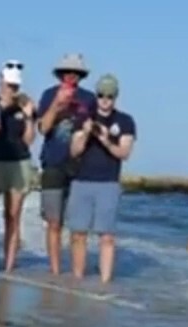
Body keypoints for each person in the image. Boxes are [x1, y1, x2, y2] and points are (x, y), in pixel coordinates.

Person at [65, 73, 135, 283]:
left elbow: (124, 153)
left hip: (108, 183)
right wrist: (86, 133)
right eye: (101, 95)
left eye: (110, 96)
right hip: (81, 181)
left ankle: (104, 283)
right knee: (78, 234)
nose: (105, 100)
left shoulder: (125, 121)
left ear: (115, 97)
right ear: (96, 95)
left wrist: (105, 139)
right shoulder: (83, 119)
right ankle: (78, 279)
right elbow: (74, 151)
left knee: (107, 236)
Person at [36, 52, 95, 275]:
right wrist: (58, 105)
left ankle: (77, 273)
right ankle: (55, 271)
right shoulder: (48, 95)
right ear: (60, 74)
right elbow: (43, 128)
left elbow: (92, 131)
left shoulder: (89, 98)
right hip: (52, 163)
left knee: (78, 226)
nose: (71, 76)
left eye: (76, 72)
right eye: (67, 72)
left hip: (80, 167)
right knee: (53, 222)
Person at [0, 59, 35, 272]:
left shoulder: (25, 104)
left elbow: (29, 141)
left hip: (18, 163)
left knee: (13, 217)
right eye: (9, 85)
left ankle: (9, 265)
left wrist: (29, 118)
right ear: (0, 80)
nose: (12, 89)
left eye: (16, 86)